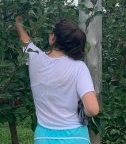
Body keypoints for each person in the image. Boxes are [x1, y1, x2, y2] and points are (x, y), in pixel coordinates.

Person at [15, 16, 100, 144]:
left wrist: (18, 24)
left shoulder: (35, 58)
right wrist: (83, 110)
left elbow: (25, 40)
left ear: (53, 36)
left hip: (44, 137)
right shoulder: (79, 68)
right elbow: (93, 109)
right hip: (75, 137)